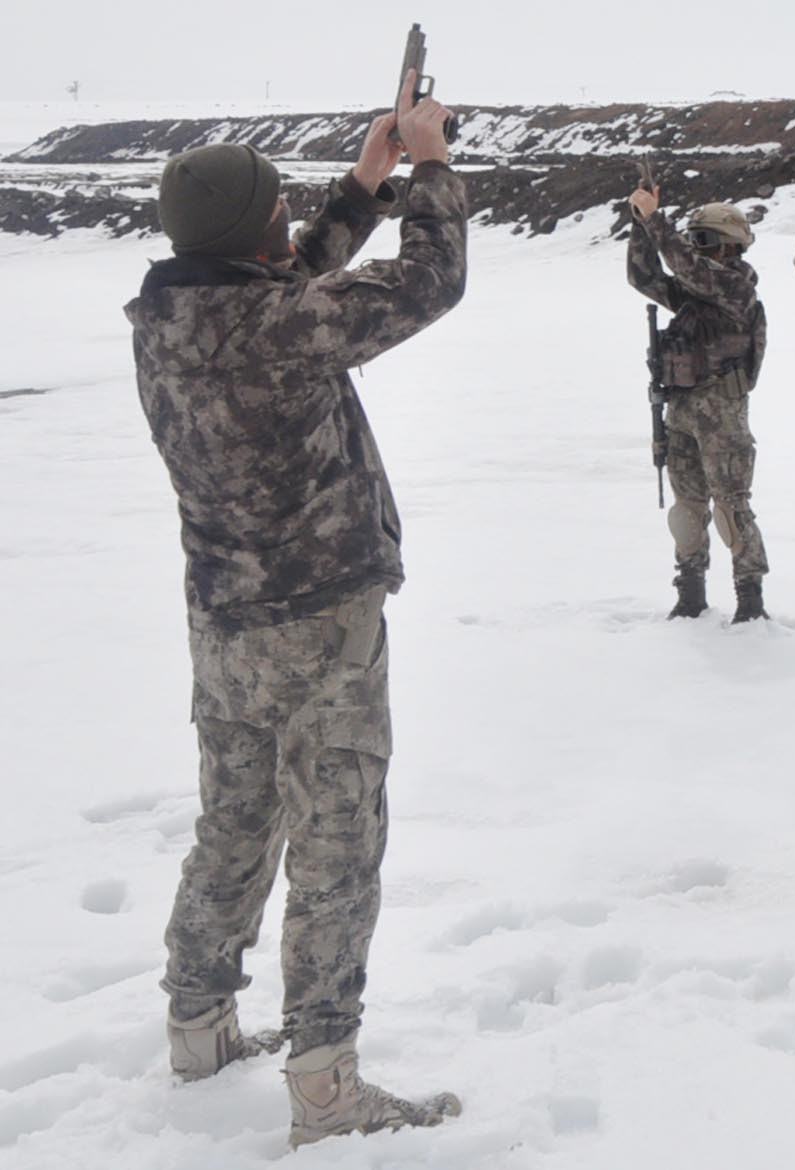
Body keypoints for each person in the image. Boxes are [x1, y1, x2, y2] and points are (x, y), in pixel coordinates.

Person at [127, 77, 463, 1147]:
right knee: (334, 839)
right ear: (259, 232)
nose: (287, 232)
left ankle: (199, 1024)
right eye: (280, 213)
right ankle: (325, 1085)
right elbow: (429, 283)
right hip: (320, 621)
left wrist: (360, 188)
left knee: (232, 818)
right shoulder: (280, 326)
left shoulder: (170, 319)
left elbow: (274, 280)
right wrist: (430, 168)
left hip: (224, 623)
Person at [627, 183, 771, 622]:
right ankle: (690, 591)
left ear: (731, 247)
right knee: (687, 509)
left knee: (731, 507)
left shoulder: (732, 286)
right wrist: (639, 223)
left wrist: (655, 221)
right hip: (683, 409)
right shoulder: (696, 291)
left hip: (721, 413)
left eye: (706, 241)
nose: (698, 250)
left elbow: (686, 268)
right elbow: (643, 278)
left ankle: (750, 598)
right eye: (695, 240)